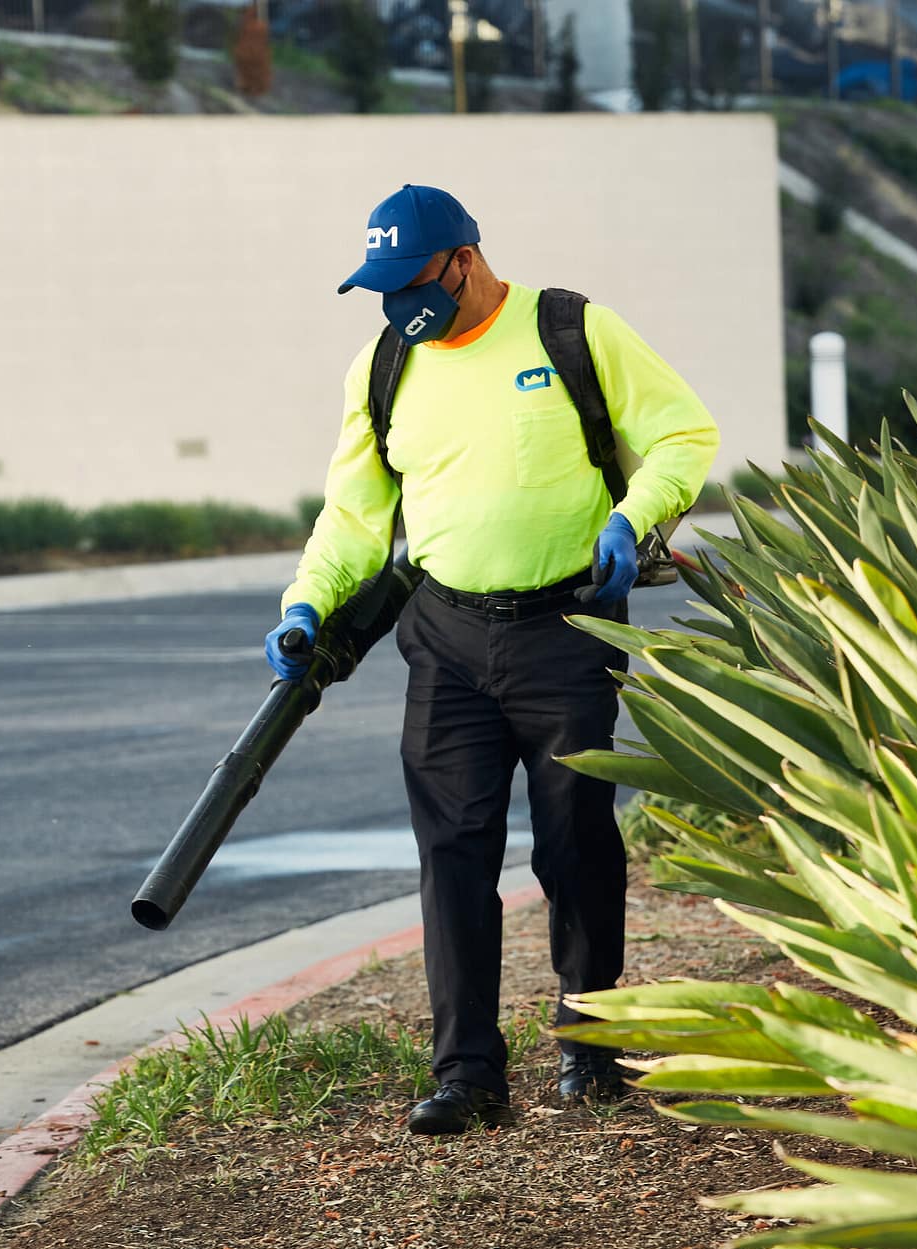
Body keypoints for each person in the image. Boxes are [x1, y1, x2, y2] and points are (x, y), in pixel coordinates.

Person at [266, 184, 720, 1136]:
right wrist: (305, 601)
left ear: (465, 260)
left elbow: (683, 433)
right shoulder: (386, 362)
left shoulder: (571, 330)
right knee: (454, 854)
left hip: (568, 628)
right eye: (381, 290)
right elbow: (354, 514)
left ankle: (590, 1045)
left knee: (575, 844)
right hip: (446, 637)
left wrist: (636, 518)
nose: (399, 307)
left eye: (411, 283)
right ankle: (467, 1075)